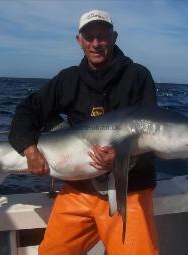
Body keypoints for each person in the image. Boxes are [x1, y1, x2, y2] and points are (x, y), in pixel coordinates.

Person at [9, 9, 158, 255]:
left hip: (128, 189)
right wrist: (28, 147)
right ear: (79, 41)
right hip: (79, 188)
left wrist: (123, 156)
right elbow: (28, 109)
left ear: (115, 37)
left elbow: (152, 129)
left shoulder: (138, 76)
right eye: (89, 37)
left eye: (103, 36)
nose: (96, 43)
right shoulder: (69, 79)